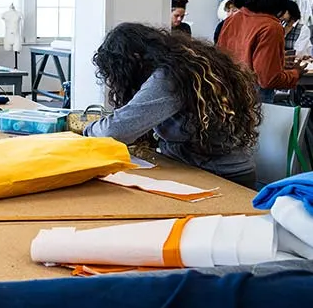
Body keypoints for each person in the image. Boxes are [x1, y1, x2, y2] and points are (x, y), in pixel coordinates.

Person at [84, 23, 261, 188]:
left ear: (134, 60)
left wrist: (86, 130)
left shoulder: (170, 78)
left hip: (220, 178)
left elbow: (115, 131)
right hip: (196, 169)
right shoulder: (185, 65)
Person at [217, 0, 301, 101]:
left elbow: (236, 58)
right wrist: (295, 73)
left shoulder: (231, 20)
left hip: (229, 94)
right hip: (254, 100)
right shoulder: (271, 26)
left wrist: (279, 61)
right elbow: (267, 79)